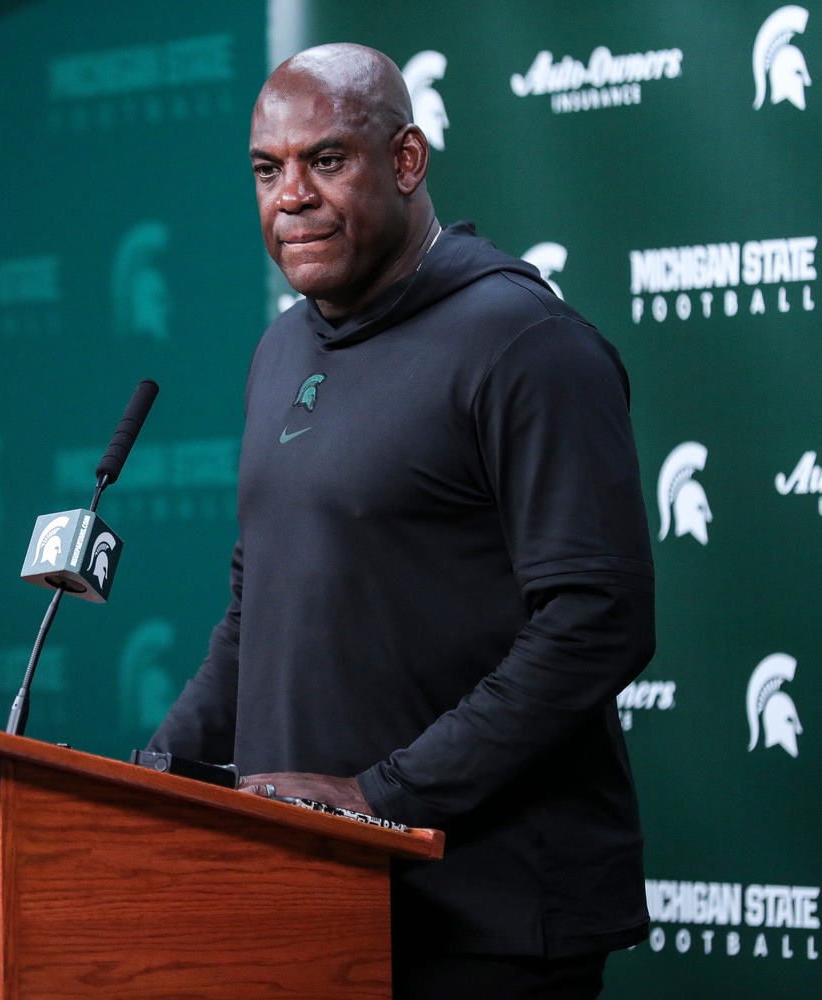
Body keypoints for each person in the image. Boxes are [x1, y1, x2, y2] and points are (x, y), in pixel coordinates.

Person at [147, 44, 655, 1000]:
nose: (290, 195)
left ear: (407, 161)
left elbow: (599, 619)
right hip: (308, 900)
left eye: (326, 160)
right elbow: (260, 606)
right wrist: (161, 770)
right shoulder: (281, 346)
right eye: (267, 169)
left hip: (487, 918)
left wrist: (384, 799)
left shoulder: (527, 344)